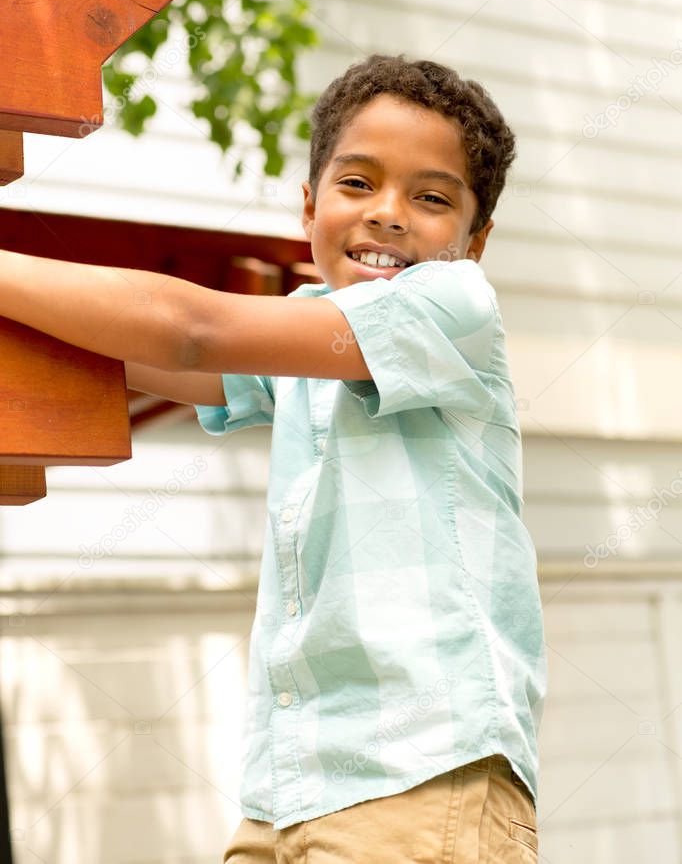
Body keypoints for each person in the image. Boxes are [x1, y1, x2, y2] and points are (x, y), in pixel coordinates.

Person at [0, 53, 546, 862]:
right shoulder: (308, 332)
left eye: (431, 198)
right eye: (356, 183)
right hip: (286, 794)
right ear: (309, 206)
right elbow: (125, 361)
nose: (389, 214)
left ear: (477, 239)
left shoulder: (453, 309)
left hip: (424, 776)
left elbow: (191, 330)